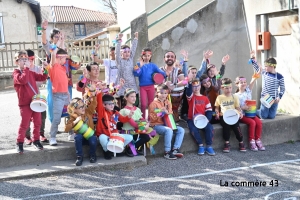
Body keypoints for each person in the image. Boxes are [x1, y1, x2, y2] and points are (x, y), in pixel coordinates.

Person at [13, 50, 48, 153]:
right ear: (17, 62)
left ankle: (36, 140)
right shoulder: (16, 73)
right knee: (25, 123)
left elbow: (43, 77)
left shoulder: (30, 72)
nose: (25, 61)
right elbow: (23, 80)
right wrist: (26, 68)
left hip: (35, 101)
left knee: (38, 122)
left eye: (26, 58)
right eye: (22, 59)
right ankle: (19, 142)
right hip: (24, 103)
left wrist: (45, 69)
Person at [149, 84, 185, 160]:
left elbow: (171, 113)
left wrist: (167, 112)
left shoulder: (168, 102)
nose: (163, 95)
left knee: (181, 130)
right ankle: (167, 152)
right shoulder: (153, 104)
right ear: (156, 93)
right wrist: (161, 113)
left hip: (168, 124)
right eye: (161, 93)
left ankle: (175, 149)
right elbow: (152, 118)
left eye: (165, 93)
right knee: (169, 130)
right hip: (156, 125)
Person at [64, 85, 98, 166]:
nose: (83, 108)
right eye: (80, 107)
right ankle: (79, 156)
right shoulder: (73, 117)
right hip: (81, 138)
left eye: (83, 106)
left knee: (93, 139)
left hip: (89, 135)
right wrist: (74, 122)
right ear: (75, 109)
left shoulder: (88, 111)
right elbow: (66, 129)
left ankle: (92, 155)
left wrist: (93, 94)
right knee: (77, 137)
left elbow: (94, 104)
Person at [96, 92, 134, 160]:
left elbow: (123, 119)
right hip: (105, 135)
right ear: (104, 105)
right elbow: (99, 101)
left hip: (114, 136)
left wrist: (129, 116)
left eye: (113, 103)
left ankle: (115, 149)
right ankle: (106, 151)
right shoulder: (101, 112)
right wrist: (100, 91)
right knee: (102, 137)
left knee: (130, 137)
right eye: (109, 104)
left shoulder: (115, 112)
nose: (112, 105)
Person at [249, 50, 285, 119]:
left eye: (266, 66)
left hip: (274, 100)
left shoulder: (280, 76)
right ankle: (255, 111)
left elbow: (282, 89)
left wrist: (279, 97)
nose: (265, 68)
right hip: (266, 98)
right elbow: (257, 68)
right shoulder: (265, 73)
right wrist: (252, 58)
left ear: (272, 66)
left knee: (271, 116)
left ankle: (264, 111)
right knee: (264, 116)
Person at [215, 78, 246, 153]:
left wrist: (240, 112)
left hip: (234, 116)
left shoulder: (235, 97)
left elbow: (237, 107)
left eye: (230, 88)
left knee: (236, 127)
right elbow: (217, 107)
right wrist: (217, 113)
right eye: (226, 88)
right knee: (226, 127)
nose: (228, 90)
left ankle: (241, 142)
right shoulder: (220, 97)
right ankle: (227, 143)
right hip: (224, 116)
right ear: (222, 88)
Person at [181, 50, 213, 121]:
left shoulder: (197, 78)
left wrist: (204, 59)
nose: (194, 74)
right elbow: (184, 71)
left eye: (195, 72)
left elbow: (201, 70)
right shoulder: (186, 79)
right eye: (192, 72)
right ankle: (184, 114)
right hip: (187, 101)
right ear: (188, 73)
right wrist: (185, 60)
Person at [133, 48, 166, 118]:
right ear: (142, 56)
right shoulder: (138, 64)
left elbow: (160, 72)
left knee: (151, 103)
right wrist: (140, 67)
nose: (147, 57)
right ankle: (142, 118)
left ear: (150, 56)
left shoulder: (153, 65)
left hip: (151, 86)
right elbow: (136, 74)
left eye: (148, 56)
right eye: (145, 56)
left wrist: (165, 74)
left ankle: (150, 118)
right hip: (142, 87)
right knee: (143, 104)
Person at [186, 78, 215, 155]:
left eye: (197, 86)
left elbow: (209, 110)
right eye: (194, 86)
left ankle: (209, 146)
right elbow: (188, 92)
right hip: (192, 120)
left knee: (210, 128)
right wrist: (189, 82)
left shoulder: (205, 98)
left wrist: (207, 119)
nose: (196, 88)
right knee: (193, 129)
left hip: (203, 119)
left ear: (200, 86)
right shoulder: (191, 97)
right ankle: (201, 145)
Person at [235, 75, 265, 151]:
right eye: (241, 82)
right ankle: (251, 141)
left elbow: (252, 81)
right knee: (252, 123)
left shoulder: (248, 90)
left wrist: (256, 74)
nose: (244, 83)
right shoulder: (236, 96)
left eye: (245, 82)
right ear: (237, 84)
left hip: (251, 114)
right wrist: (242, 108)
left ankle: (257, 139)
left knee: (259, 122)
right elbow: (235, 108)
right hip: (242, 115)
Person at [24, 49, 48, 144]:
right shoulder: (21, 70)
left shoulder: (37, 68)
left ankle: (40, 134)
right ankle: (27, 136)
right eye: (28, 59)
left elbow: (41, 81)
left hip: (36, 95)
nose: (31, 61)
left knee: (42, 114)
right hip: (26, 97)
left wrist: (45, 69)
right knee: (26, 117)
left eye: (32, 59)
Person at [119, 88, 151, 156]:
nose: (134, 98)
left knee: (146, 137)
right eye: (131, 96)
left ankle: (132, 149)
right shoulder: (124, 111)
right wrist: (144, 127)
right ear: (126, 98)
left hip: (137, 130)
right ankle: (130, 149)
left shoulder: (137, 109)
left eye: (135, 96)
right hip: (129, 132)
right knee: (136, 133)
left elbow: (142, 119)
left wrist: (147, 123)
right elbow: (133, 124)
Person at [48, 47, 70, 146]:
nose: (66, 60)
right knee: (57, 118)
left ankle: (71, 133)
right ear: (60, 58)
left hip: (66, 95)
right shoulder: (54, 67)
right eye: (65, 58)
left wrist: (68, 94)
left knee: (71, 115)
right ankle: (52, 137)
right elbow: (53, 58)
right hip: (58, 96)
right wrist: (53, 51)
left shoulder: (63, 68)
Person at [160, 51, 188, 121]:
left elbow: (184, 81)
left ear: (174, 59)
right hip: (163, 96)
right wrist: (164, 85)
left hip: (175, 95)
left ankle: (174, 115)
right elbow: (155, 83)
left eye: (172, 57)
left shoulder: (178, 70)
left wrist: (174, 85)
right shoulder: (160, 70)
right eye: (168, 56)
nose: (170, 58)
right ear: (164, 59)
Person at [115, 32, 139, 108]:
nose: (127, 54)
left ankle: (134, 117)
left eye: (128, 52)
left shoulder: (130, 59)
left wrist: (135, 38)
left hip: (132, 84)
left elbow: (134, 49)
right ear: (121, 53)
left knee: (135, 103)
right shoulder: (119, 60)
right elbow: (117, 51)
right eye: (125, 52)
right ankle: (124, 118)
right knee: (124, 104)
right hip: (123, 85)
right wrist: (119, 40)